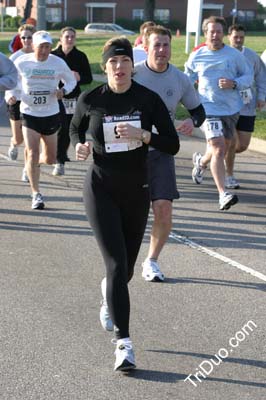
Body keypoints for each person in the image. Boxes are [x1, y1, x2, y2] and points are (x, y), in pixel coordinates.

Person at [69, 36, 179, 371]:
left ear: (133, 66)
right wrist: (80, 147)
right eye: (113, 62)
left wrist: (145, 136)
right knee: (116, 265)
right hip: (100, 186)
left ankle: (109, 296)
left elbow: (172, 144)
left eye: (125, 62)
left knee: (126, 269)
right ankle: (124, 344)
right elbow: (74, 130)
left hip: (136, 188)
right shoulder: (91, 98)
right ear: (105, 67)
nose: (119, 67)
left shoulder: (148, 99)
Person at [134, 25, 206, 282]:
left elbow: (198, 111)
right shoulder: (133, 74)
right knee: (130, 212)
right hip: (130, 153)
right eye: (157, 45)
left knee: (163, 209)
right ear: (146, 48)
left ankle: (151, 260)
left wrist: (192, 123)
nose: (162, 50)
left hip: (161, 151)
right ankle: (122, 256)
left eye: (166, 45)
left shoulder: (179, 79)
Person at [185, 16, 252, 211]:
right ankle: (223, 194)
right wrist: (188, 102)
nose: (215, 35)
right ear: (205, 33)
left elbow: (247, 76)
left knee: (224, 147)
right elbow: (186, 79)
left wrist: (235, 83)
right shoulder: (197, 56)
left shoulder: (234, 55)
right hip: (208, 109)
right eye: (211, 31)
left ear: (224, 34)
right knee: (219, 148)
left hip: (231, 109)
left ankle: (200, 162)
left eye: (218, 32)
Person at [8, 30, 76, 209]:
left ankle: (32, 166)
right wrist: (10, 96)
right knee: (32, 152)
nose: (44, 51)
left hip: (51, 113)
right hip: (29, 112)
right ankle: (36, 194)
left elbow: (71, 81)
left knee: (51, 158)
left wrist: (64, 91)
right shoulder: (21, 61)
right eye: (41, 47)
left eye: (47, 47)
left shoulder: (58, 62)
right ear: (33, 46)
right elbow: (11, 82)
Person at [225, 24, 266, 188]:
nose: (239, 39)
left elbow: (261, 77)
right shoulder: (223, 55)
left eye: (241, 36)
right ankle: (228, 176)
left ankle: (210, 157)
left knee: (242, 145)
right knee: (232, 142)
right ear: (229, 37)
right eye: (236, 37)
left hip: (247, 106)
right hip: (227, 106)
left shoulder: (251, 56)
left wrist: (262, 97)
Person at [51, 26, 93, 176]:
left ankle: (62, 156)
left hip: (74, 99)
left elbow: (89, 78)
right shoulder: (53, 56)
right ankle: (59, 160)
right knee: (60, 129)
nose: (69, 39)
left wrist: (78, 77)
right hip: (56, 98)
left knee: (71, 128)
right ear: (61, 39)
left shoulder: (80, 56)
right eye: (67, 36)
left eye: (72, 37)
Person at [5, 24, 36, 183]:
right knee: (19, 139)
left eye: (29, 37)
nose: (26, 40)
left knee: (30, 138)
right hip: (15, 100)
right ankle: (13, 143)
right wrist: (9, 94)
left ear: (34, 37)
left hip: (33, 103)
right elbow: (6, 78)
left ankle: (27, 168)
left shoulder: (41, 55)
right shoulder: (15, 57)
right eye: (23, 37)